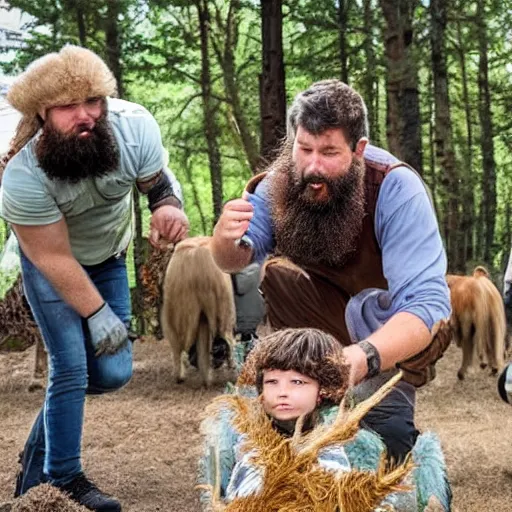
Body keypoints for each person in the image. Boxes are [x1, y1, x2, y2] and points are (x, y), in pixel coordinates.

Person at [210, 79, 451, 462]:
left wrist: (362, 359)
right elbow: (236, 258)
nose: (312, 166)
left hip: (384, 340)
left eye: (329, 152)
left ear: (359, 150)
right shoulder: (277, 184)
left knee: (386, 447)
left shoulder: (396, 188)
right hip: (313, 329)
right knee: (277, 275)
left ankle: (383, 415)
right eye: (304, 149)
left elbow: (427, 305)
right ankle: (303, 398)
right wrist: (224, 241)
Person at [0, 45, 189, 511]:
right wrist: (97, 311)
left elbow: (157, 182)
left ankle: (35, 458)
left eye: (94, 101)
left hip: (108, 258)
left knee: (112, 371)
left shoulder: (133, 126)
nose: (86, 116)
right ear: (42, 112)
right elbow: (54, 257)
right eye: (68, 107)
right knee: (71, 367)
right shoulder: (23, 177)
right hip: (52, 266)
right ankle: (62, 479)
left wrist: (168, 206)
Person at [198, 327, 451, 511]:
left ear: (322, 392)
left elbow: (348, 493)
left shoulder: (335, 451)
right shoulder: (248, 447)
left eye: (298, 382)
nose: (283, 392)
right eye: (272, 382)